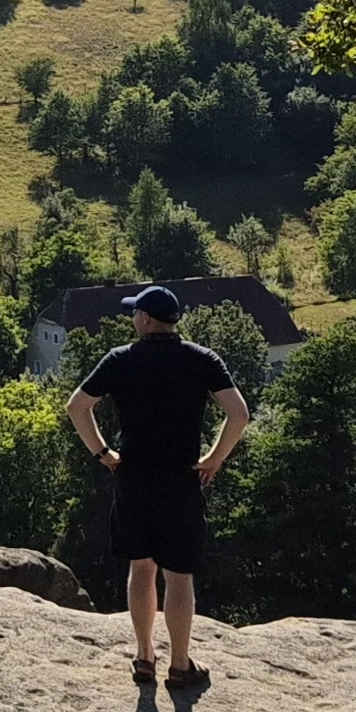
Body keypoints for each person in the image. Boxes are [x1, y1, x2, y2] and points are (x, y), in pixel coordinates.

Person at [66, 284, 248, 690]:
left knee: (141, 568)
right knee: (179, 576)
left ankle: (144, 656)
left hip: (133, 478)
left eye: (135, 314)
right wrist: (215, 458)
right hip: (181, 478)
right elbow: (239, 414)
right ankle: (180, 665)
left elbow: (77, 406)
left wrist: (103, 453)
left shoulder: (120, 360)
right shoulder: (202, 360)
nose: (133, 319)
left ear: (146, 320)